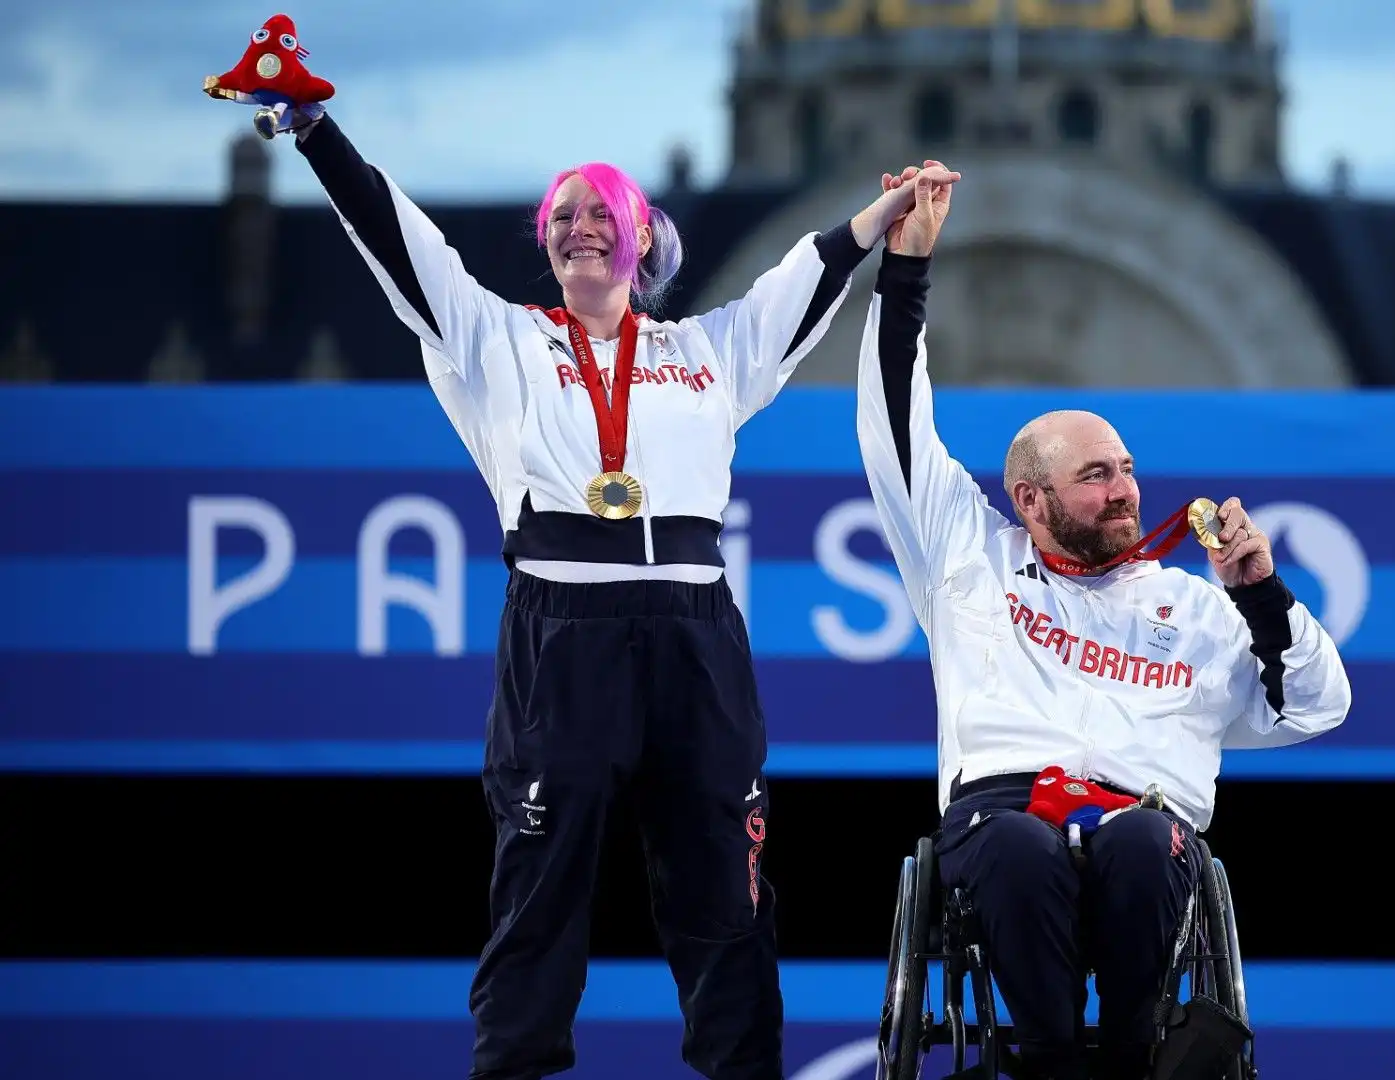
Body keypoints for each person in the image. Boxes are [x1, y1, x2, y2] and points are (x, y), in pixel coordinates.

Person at [203, 21, 950, 1080]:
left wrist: (884, 213)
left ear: (643, 240)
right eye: (563, 217)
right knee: (539, 883)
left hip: (696, 634)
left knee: (723, 890)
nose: (582, 229)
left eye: (604, 213)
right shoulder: (494, 340)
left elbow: (804, 282)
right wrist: (317, 128)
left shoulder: (707, 353)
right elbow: (397, 236)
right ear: (546, 242)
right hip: (562, 631)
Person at [855, 163, 1352, 1080]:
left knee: (1140, 841)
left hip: (1145, 822)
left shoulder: (1195, 608)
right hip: (1001, 818)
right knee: (1010, 842)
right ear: (1030, 499)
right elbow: (894, 424)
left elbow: (1316, 707)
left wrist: (1261, 591)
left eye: (1124, 468)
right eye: (1097, 476)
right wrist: (907, 271)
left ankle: (1127, 1061)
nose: (1125, 489)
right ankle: (1049, 1066)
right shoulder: (968, 558)